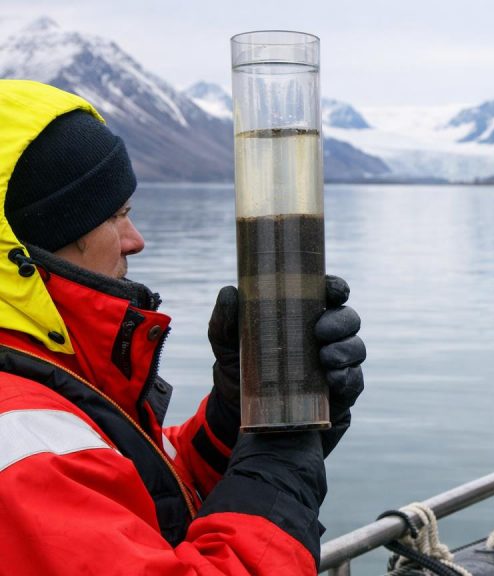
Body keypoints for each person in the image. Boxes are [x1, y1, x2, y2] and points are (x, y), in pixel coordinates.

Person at [0, 79, 366, 574]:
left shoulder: (36, 379)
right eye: (116, 216)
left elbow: (146, 491)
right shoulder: (22, 447)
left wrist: (235, 417)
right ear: (35, 244)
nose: (136, 240)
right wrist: (280, 463)